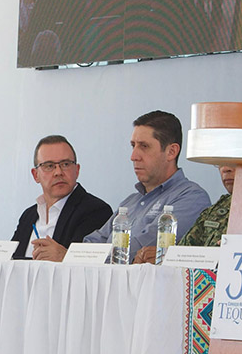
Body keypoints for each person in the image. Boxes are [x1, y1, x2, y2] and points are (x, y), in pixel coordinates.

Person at [82, 111, 210, 263]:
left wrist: (87, 258)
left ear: (171, 152)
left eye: (144, 146)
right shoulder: (130, 202)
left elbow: (140, 249)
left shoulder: (191, 197)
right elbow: (93, 241)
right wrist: (77, 256)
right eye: (133, 146)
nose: (134, 156)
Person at [9, 135, 112, 261]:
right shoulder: (28, 216)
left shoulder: (95, 211)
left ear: (77, 170)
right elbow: (12, 261)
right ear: (36, 175)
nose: (58, 172)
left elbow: (89, 267)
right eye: (49, 166)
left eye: (65, 164)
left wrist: (64, 257)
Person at [181, 165, 234, 247]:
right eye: (220, 163)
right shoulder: (219, 208)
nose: (225, 169)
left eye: (235, 161)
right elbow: (182, 253)